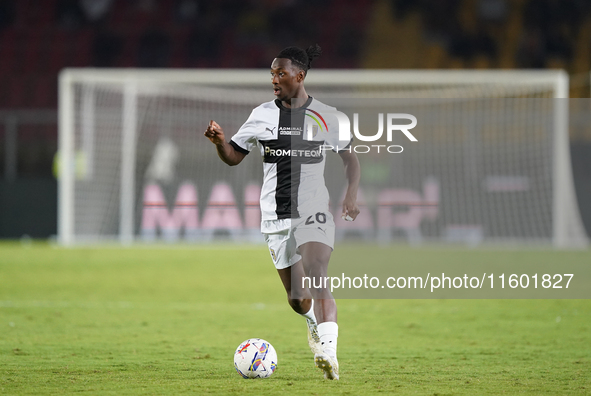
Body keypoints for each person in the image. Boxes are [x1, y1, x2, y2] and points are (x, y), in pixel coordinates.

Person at [204, 45, 360, 380]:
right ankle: (312, 326)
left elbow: (351, 160)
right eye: (272, 73)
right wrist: (219, 142)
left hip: (313, 210)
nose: (274, 79)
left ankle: (329, 355)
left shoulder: (328, 116)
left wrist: (351, 195)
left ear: (300, 76)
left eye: (281, 73)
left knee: (318, 274)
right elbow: (234, 155)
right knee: (297, 300)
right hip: (275, 217)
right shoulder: (261, 115)